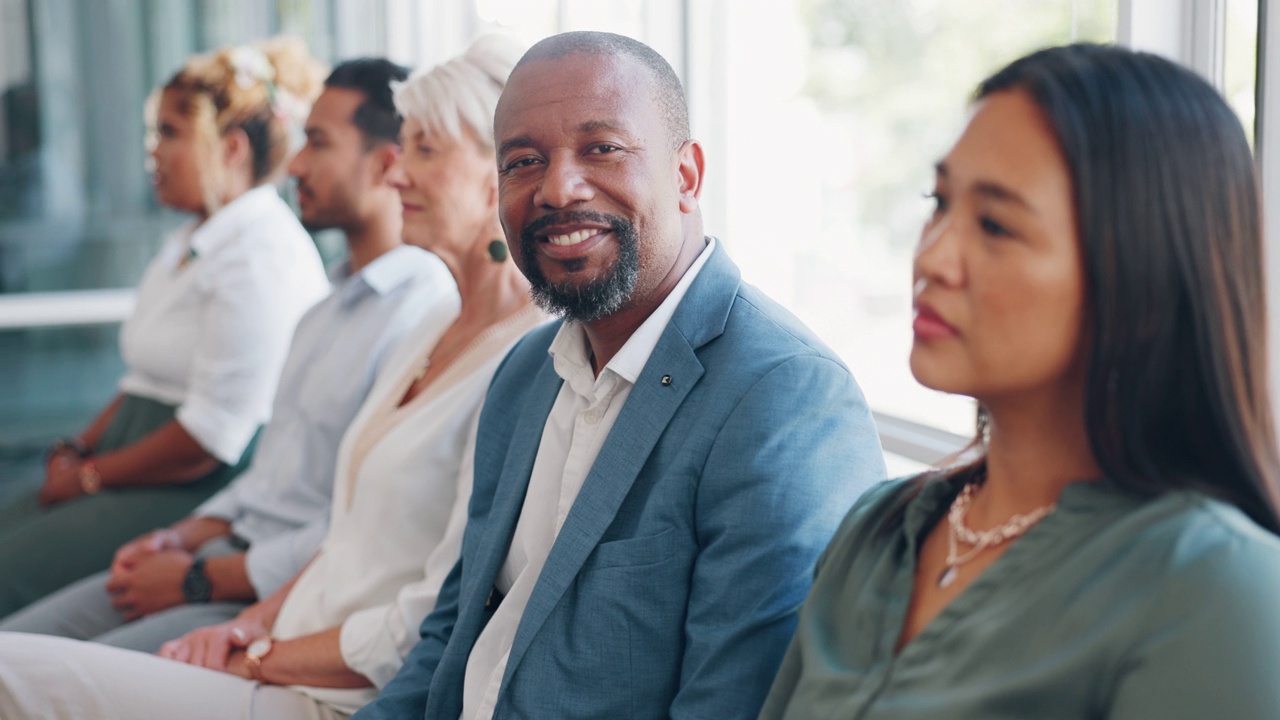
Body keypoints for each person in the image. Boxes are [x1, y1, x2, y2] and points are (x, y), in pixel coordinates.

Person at [0, 35, 550, 720]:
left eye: (424, 151)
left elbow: (428, 616)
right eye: (402, 148)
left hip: (331, 687)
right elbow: (346, 540)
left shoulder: (523, 359)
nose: (398, 173)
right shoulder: (430, 325)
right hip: (281, 633)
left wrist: (245, 641)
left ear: (498, 174)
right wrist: (249, 621)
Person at [354, 31, 885, 720]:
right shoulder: (523, 374)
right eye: (523, 161)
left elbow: (735, 704)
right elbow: (449, 639)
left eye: (601, 148)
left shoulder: (785, 397)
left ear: (687, 176)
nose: (557, 188)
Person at [758, 43, 1280, 720]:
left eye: (996, 224)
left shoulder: (1218, 588)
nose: (933, 255)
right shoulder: (876, 531)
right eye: (938, 201)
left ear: (1143, 281)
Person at [0, 38, 331, 618]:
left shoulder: (260, 254)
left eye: (170, 133)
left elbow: (208, 441)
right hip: (135, 453)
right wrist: (78, 447)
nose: (152, 152)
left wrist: (88, 478)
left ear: (228, 148)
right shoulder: (190, 241)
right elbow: (143, 378)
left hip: (189, 484)